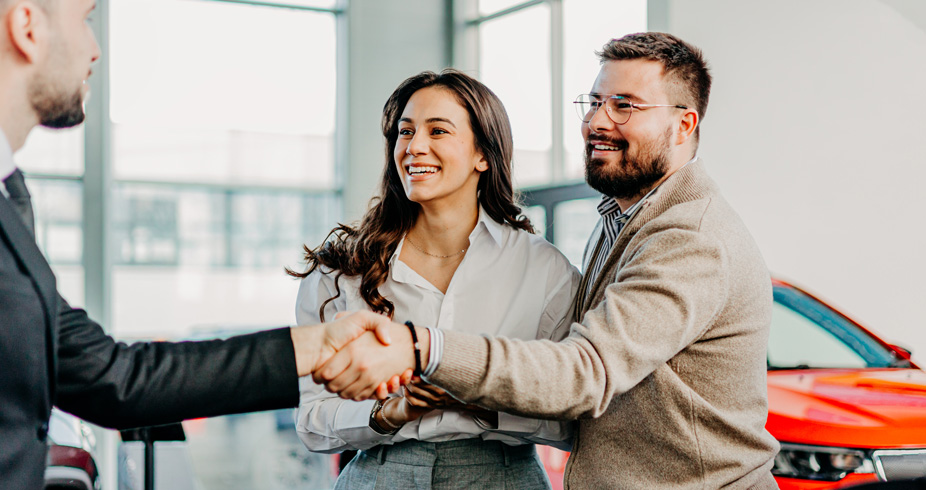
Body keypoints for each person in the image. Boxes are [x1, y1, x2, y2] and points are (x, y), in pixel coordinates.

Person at [0, 1, 397, 489]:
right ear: (27, 27)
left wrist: (313, 347)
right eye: (85, 17)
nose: (94, 49)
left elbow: (112, 376)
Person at [317, 32, 781, 489]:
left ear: (684, 124)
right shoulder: (621, 219)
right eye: (594, 102)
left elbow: (584, 372)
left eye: (624, 105)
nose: (598, 121)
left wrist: (424, 347)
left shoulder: (687, 237)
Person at [291, 70, 579, 489]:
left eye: (437, 130)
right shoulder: (343, 270)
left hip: (501, 478)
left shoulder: (543, 269)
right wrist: (391, 411)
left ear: (483, 155)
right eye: (405, 132)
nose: (414, 147)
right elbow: (311, 420)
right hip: (380, 475)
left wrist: (479, 394)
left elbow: (570, 414)